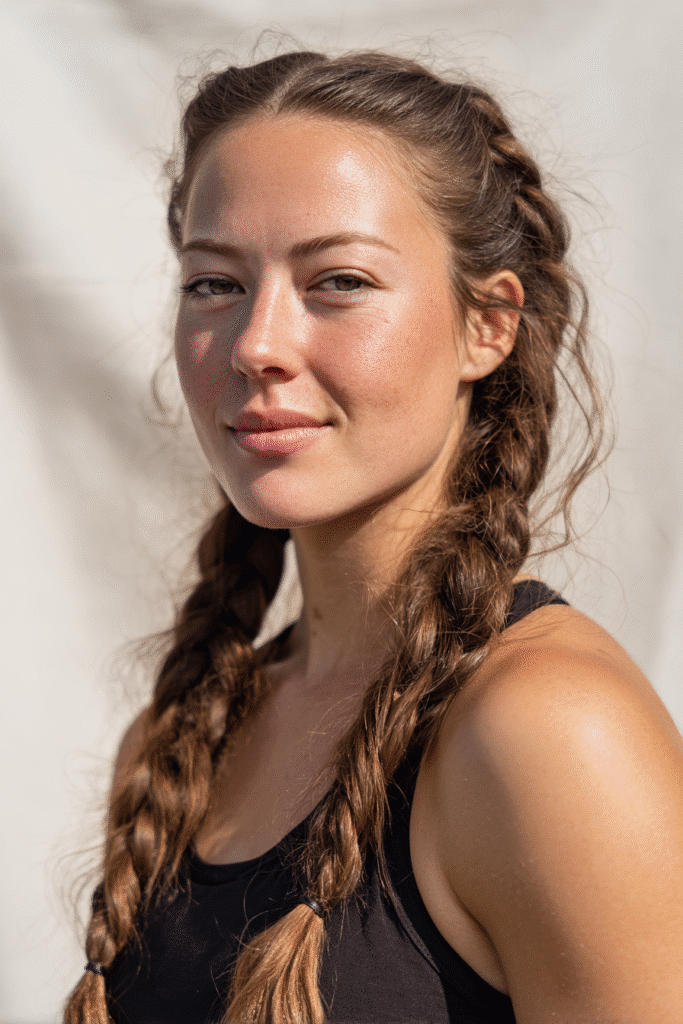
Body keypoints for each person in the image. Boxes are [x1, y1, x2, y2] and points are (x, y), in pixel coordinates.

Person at [64, 50, 683, 1024]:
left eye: (338, 280)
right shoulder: (182, 740)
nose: (256, 344)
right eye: (213, 284)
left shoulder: (548, 730)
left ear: (487, 324)